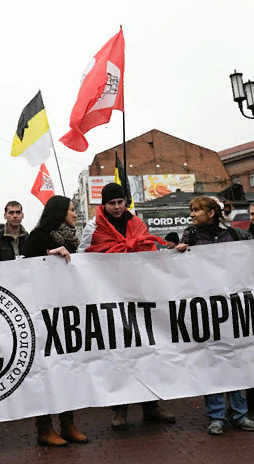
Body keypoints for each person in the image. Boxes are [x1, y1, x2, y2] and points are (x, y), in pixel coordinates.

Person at [79, 182, 176, 429]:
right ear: (104, 204)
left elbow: (150, 251)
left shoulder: (137, 222)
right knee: (119, 354)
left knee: (147, 350)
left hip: (140, 295)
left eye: (120, 202)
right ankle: (119, 409)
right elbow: (84, 256)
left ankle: (150, 405)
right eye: (111, 203)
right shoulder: (93, 227)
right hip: (111, 297)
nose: (117, 207)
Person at [175, 196, 254, 433]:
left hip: (232, 309)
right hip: (205, 310)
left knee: (234, 359)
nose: (192, 214)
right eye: (190, 210)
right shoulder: (190, 236)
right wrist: (179, 252)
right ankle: (217, 416)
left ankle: (239, 414)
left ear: (212, 213)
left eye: (197, 210)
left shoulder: (233, 235)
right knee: (211, 361)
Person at [23, 195, 89, 447]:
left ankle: (68, 423)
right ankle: (44, 427)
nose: (74, 214)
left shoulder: (72, 239)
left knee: (68, 368)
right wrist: (50, 253)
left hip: (67, 313)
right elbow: (29, 266)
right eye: (71, 210)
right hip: (45, 315)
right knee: (46, 371)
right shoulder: (39, 235)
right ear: (60, 213)